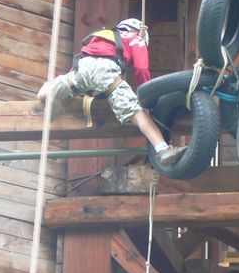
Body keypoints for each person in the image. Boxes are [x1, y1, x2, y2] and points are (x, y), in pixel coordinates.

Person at [37, 18, 186, 167]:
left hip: (82, 68)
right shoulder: (136, 39)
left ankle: (48, 96)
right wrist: (148, 98)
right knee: (138, 115)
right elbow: (141, 68)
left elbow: (85, 58)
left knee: (48, 90)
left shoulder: (102, 35)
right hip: (106, 73)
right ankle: (163, 149)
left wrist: (78, 88)